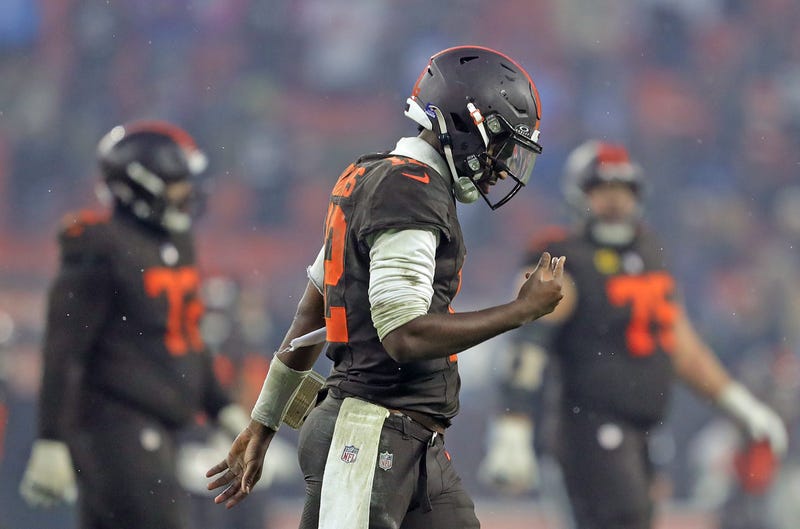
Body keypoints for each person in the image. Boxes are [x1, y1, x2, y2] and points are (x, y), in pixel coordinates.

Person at [206, 45, 565, 529]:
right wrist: (521, 310)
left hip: (406, 440)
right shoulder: (410, 189)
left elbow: (312, 317)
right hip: (370, 436)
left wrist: (264, 420)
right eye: (499, 143)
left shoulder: (374, 175)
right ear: (465, 122)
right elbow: (404, 335)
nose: (501, 164)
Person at [479, 140, 789, 529]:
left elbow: (677, 340)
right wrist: (512, 426)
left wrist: (735, 400)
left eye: (622, 191)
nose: (614, 202)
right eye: (602, 190)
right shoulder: (561, 253)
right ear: (580, 194)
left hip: (642, 429)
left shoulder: (649, 251)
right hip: (588, 426)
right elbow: (526, 343)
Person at [18, 121, 251, 529]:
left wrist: (222, 407)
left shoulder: (176, 243)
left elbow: (187, 337)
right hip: (115, 426)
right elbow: (64, 349)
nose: (187, 192)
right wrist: (51, 437)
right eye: (177, 181)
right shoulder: (98, 246)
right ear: (142, 185)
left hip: (159, 428)